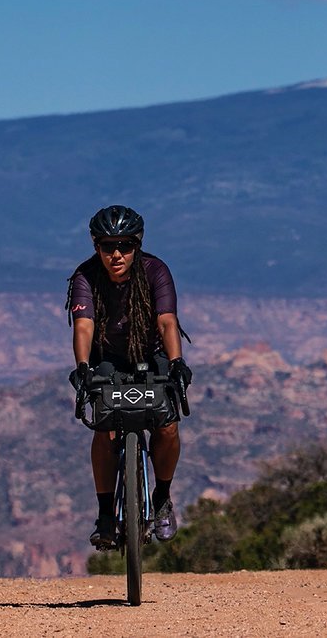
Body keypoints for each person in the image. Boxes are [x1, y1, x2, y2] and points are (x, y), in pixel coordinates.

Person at [67, 204, 192, 549]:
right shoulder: (85, 276)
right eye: (107, 247)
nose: (116, 254)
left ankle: (163, 499)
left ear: (137, 245)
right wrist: (82, 367)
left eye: (124, 246)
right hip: (107, 357)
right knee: (105, 428)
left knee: (167, 425)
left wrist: (176, 361)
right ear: (96, 247)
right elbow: (84, 325)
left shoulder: (155, 271)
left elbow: (167, 321)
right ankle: (106, 514)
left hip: (151, 355)